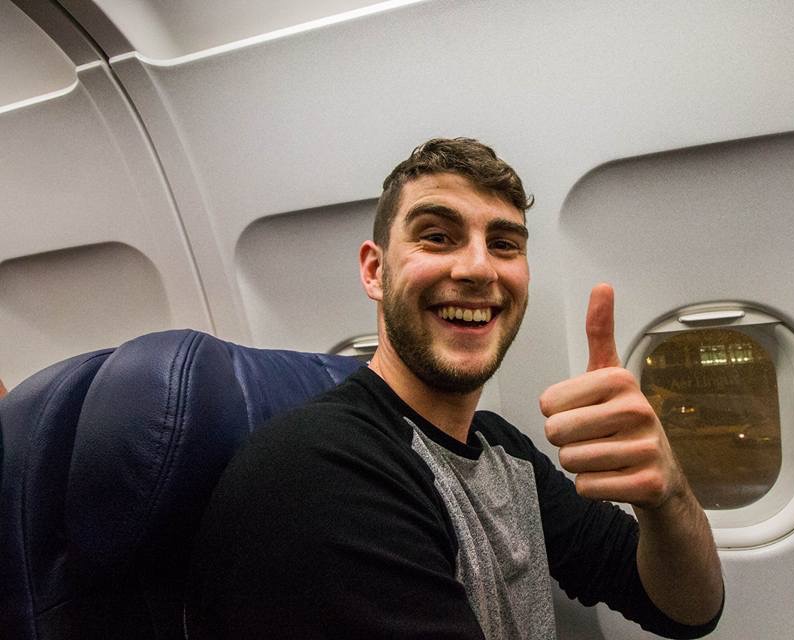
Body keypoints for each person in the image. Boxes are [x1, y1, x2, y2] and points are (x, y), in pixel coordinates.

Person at [186, 138, 724, 639]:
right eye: (438, 237)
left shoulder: (501, 449)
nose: (478, 269)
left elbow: (685, 609)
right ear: (375, 271)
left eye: (504, 244)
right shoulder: (320, 469)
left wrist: (667, 495)